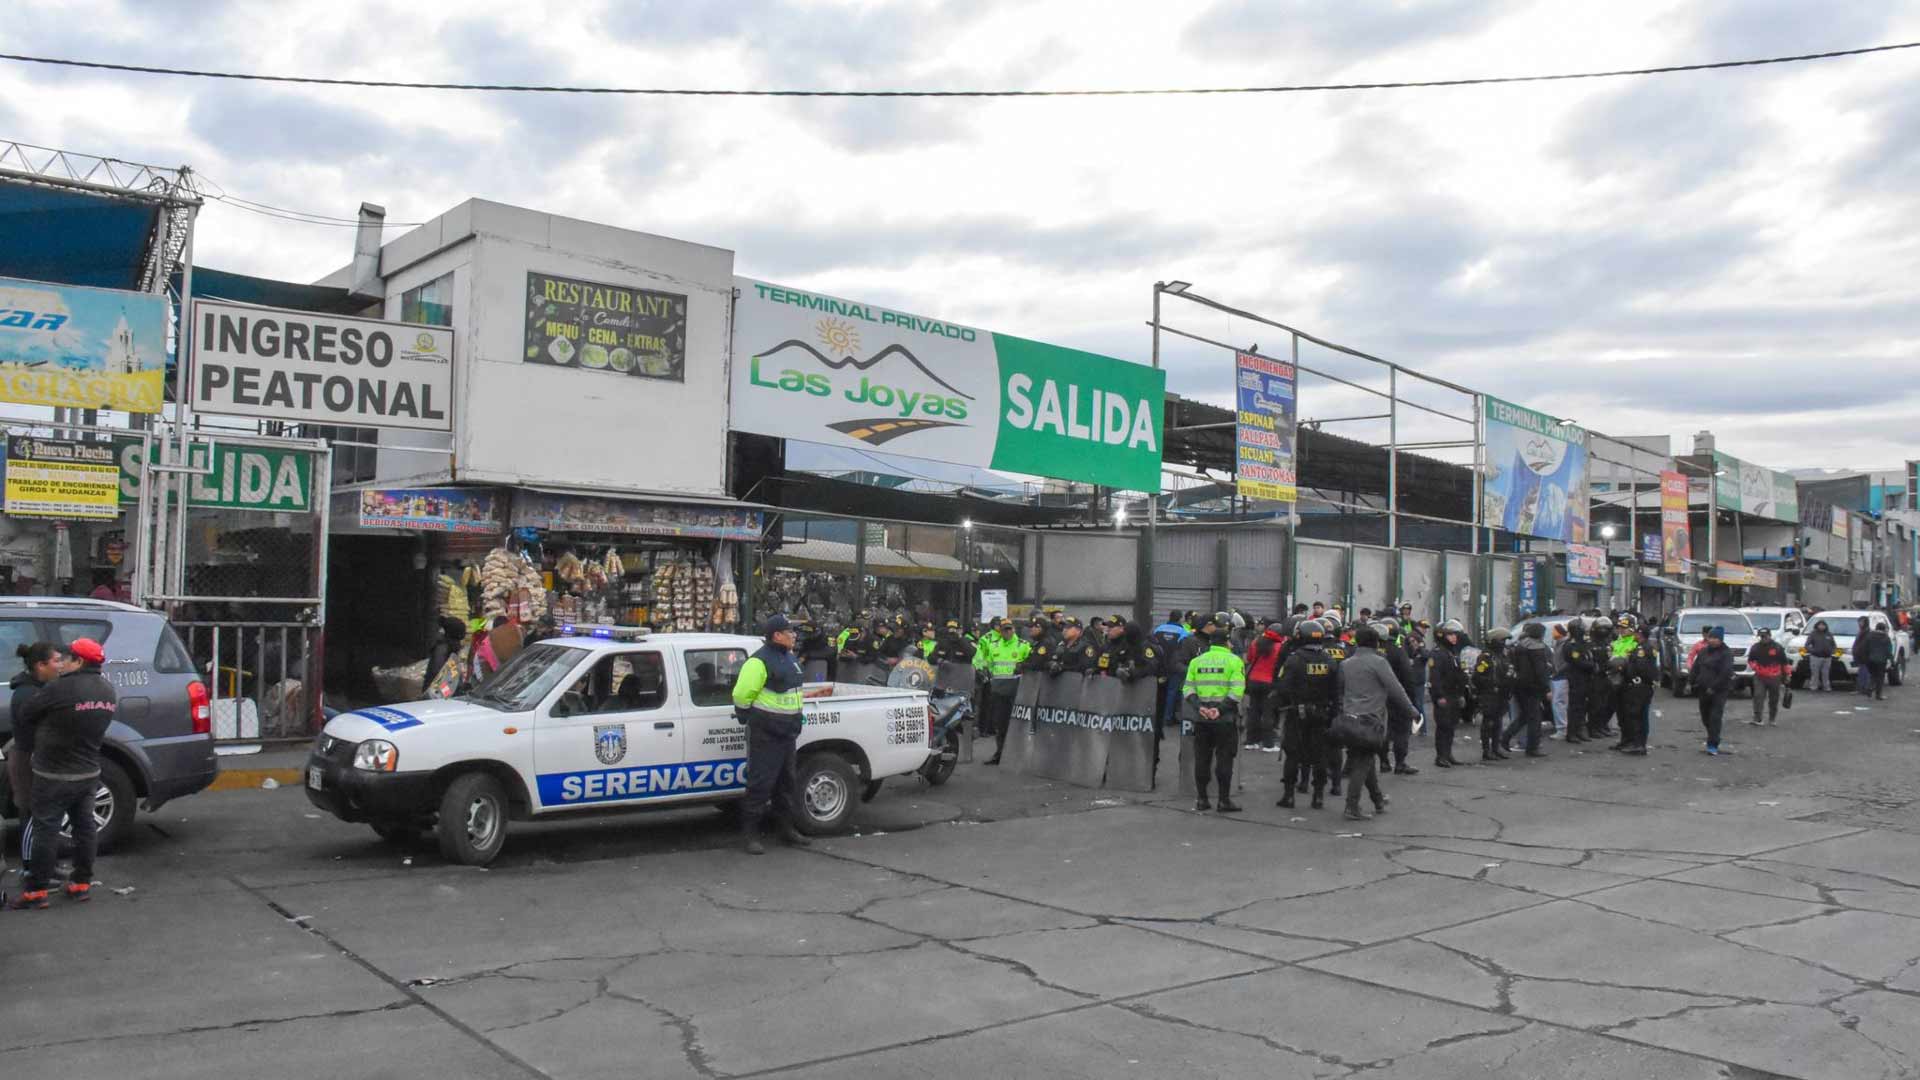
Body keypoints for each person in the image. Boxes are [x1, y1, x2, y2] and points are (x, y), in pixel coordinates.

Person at [11, 638, 116, 909]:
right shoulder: (107, 690)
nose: (62, 664)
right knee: (85, 828)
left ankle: (36, 891)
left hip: (53, 774)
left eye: (66, 659)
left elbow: (26, 713)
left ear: (79, 661)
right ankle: (81, 883)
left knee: (45, 830)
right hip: (88, 772)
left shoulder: (59, 689)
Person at [728, 615, 810, 855]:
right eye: (790, 632)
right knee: (760, 785)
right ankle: (750, 835)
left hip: (788, 733)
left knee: (787, 784)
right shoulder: (759, 662)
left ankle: (786, 830)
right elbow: (742, 695)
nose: (794, 635)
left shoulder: (790, 658)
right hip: (767, 734)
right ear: (777, 635)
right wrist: (748, 717)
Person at [1335, 625, 1415, 821]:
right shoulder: (1379, 662)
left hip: (1348, 719)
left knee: (1364, 759)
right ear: (1376, 642)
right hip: (1371, 720)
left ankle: (1378, 800)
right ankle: (1351, 806)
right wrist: (1412, 710)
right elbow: (1396, 689)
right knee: (1363, 762)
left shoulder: (1346, 664)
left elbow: (1339, 690)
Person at [7, 642, 68, 883]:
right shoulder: (28, 695)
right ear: (40, 665)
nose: (60, 665)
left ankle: (46, 867)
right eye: (56, 661)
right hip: (28, 760)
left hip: (36, 758)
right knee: (32, 816)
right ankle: (32, 871)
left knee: (43, 817)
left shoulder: (38, 688)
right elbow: (40, 731)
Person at [1184, 613, 1246, 813]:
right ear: (1227, 642)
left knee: (1202, 758)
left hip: (1201, 716)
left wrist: (1200, 707)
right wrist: (1218, 709)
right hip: (1224, 717)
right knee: (1225, 758)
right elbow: (1237, 692)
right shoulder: (1234, 661)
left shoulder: (1197, 662)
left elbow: (1187, 689)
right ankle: (1223, 800)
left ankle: (1202, 800)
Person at [1277, 618, 1339, 809]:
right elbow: (1336, 689)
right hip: (1322, 713)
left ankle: (1289, 796)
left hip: (1297, 713)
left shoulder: (1294, 659)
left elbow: (1284, 688)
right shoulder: (1329, 660)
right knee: (1320, 755)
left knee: (1293, 754)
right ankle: (1318, 796)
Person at [973, 618, 1028, 764]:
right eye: (1004, 629)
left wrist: (1023, 666)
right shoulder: (994, 646)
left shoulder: (1023, 645)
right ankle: (1000, 754)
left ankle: (1017, 755)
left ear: (1014, 629)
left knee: (1017, 725)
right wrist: (981, 669)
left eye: (1010, 629)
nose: (1007, 632)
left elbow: (1033, 662)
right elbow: (982, 659)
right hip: (998, 690)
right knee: (1000, 725)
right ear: (1000, 631)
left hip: (1018, 691)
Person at [1504, 622, 1553, 757]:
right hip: (1533, 687)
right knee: (1535, 718)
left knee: (1525, 716)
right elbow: (1540, 671)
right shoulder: (1537, 648)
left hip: (1519, 685)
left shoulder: (1519, 646)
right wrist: (1546, 689)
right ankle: (1532, 748)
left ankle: (1505, 737)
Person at [1426, 620, 1470, 768]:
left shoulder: (1453, 652)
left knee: (1451, 726)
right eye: (1450, 635)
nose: (1454, 637)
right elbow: (1435, 678)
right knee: (1443, 727)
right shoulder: (1438, 654)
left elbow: (1458, 675)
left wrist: (1461, 694)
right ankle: (1441, 756)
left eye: (1455, 634)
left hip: (1454, 694)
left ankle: (1448, 753)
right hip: (1444, 695)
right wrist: (1439, 696)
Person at [1613, 620, 1659, 755]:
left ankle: (1638, 745)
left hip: (1639, 686)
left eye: (1636, 632)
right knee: (1632, 715)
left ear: (1640, 634)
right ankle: (1633, 742)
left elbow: (1640, 668)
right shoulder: (1641, 647)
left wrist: (1624, 668)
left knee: (1637, 716)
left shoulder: (1642, 649)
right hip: (1636, 686)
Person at [1690, 626, 1735, 755]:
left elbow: (1725, 672)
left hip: (1719, 690)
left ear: (1720, 639)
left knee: (1715, 716)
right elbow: (1696, 667)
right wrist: (1691, 681)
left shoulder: (1726, 653)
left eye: (1715, 638)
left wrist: (1713, 687)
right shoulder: (1703, 652)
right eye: (1710, 637)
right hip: (1703, 689)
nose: (1712, 640)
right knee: (1705, 716)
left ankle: (1713, 743)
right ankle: (1713, 735)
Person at [1471, 628, 1514, 761]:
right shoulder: (1485, 657)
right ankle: (1486, 750)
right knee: (1488, 723)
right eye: (1502, 640)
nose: (1504, 643)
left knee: (1498, 722)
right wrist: (1491, 685)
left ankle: (1496, 748)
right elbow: (1477, 677)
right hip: (1490, 694)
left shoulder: (1503, 655)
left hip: (1502, 694)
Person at [1243, 619, 1285, 751]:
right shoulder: (1280, 647)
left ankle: (1251, 741)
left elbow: (1249, 659)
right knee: (1268, 713)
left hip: (1253, 681)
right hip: (1269, 683)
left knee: (1253, 711)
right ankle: (1268, 744)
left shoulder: (1256, 642)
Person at [1151, 611, 1192, 735]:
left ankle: (1157, 715)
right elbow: (1184, 650)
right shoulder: (1183, 632)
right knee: (1172, 692)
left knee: (1159, 690)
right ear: (1180, 619)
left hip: (1159, 666)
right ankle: (1168, 717)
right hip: (1174, 666)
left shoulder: (1158, 629)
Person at [1558, 618, 1597, 745]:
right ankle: (1572, 733)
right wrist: (1592, 665)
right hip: (1576, 678)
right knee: (1575, 707)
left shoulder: (1583, 643)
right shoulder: (1571, 645)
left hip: (1586, 678)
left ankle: (1580, 730)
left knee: (1582, 706)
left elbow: (1589, 655)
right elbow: (1578, 662)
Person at [1746, 627, 1790, 726]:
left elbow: (1784, 663)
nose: (1763, 638)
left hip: (1775, 676)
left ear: (1770, 636)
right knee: (1758, 696)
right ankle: (1758, 719)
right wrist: (1756, 668)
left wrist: (1787, 675)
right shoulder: (1755, 647)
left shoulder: (1777, 647)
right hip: (1760, 676)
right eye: (1761, 637)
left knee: (1774, 698)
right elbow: (1751, 660)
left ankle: (1772, 719)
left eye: (1765, 636)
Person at [1858, 618, 1894, 700]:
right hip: (1881, 660)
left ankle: (1869, 688)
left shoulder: (1869, 636)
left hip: (1870, 660)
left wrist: (1864, 659)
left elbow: (1863, 648)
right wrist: (1892, 661)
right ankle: (1878, 694)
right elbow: (1889, 650)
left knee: (1873, 675)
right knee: (1880, 677)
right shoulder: (1886, 638)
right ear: (1884, 629)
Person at [1805, 620, 1836, 692]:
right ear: (1817, 625)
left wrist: (1832, 651)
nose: (1821, 626)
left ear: (1826, 626)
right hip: (1816, 657)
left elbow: (1833, 645)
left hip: (1827, 657)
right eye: (1820, 625)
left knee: (1826, 673)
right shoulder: (1813, 634)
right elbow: (1807, 645)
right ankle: (1813, 687)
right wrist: (1813, 651)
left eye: (1823, 625)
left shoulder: (1829, 634)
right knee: (1815, 673)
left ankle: (1826, 687)